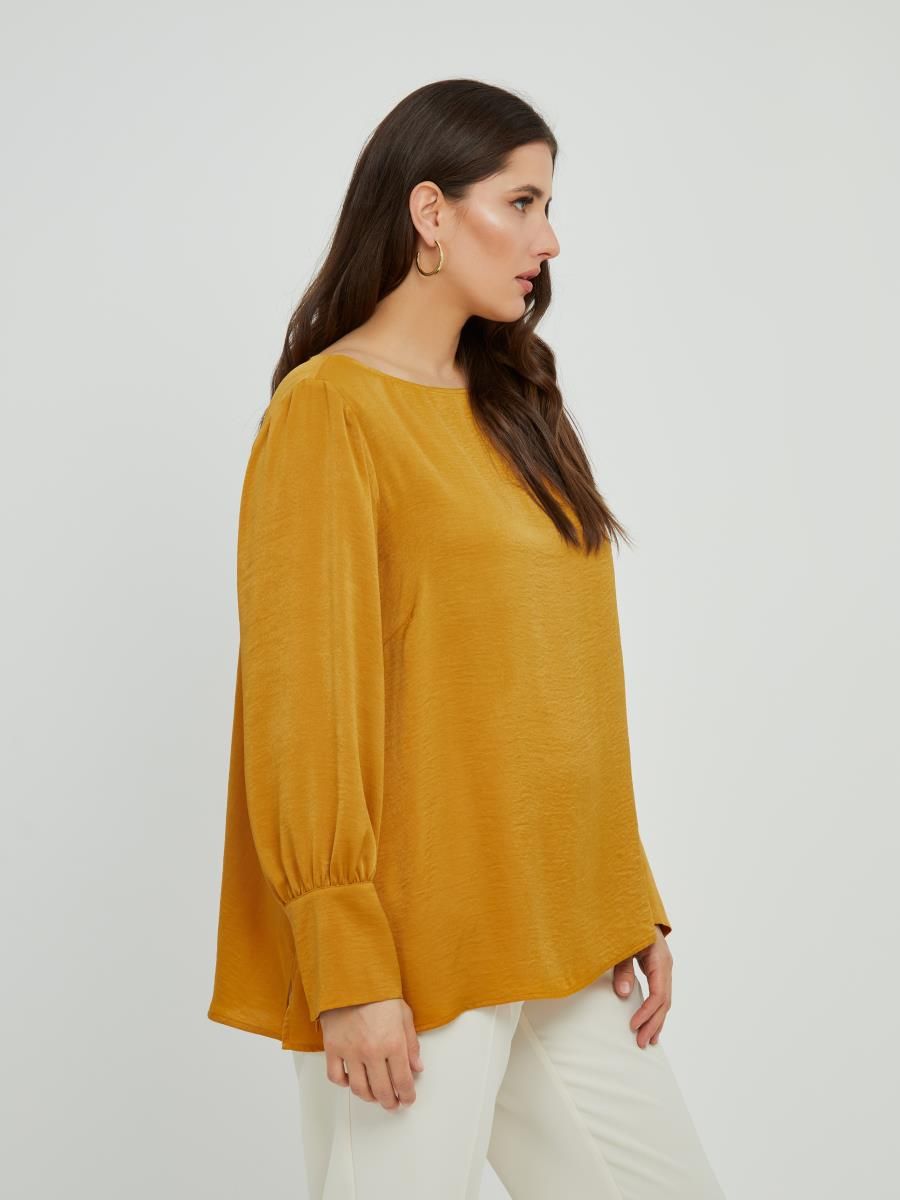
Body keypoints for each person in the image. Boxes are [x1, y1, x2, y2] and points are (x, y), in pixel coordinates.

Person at [207, 78, 726, 1198]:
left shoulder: (516, 405)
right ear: (431, 212)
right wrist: (347, 963)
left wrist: (621, 891)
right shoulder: (329, 412)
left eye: (549, 206)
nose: (550, 240)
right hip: (414, 949)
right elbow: (305, 704)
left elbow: (560, 683)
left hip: (560, 931)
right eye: (522, 203)